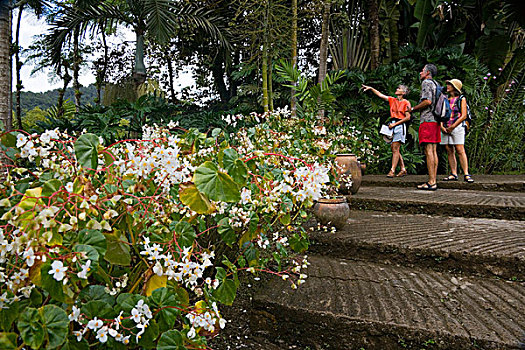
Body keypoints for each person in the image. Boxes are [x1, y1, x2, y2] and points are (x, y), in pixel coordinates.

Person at [362, 84, 411, 177]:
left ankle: (392, 170)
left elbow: (408, 117)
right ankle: (403, 168)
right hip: (392, 125)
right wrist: (371, 88)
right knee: (394, 148)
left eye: (399, 88)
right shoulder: (392, 100)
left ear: (403, 93)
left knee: (395, 148)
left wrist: (395, 124)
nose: (397, 89)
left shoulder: (406, 103)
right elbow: (380, 95)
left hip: (399, 125)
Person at [409, 64, 440, 191]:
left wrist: (413, 109)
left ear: (427, 72)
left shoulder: (426, 83)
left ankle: (431, 181)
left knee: (428, 151)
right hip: (436, 120)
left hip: (427, 119)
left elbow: (427, 101)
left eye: (422, 70)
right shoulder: (436, 83)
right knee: (433, 150)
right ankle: (433, 180)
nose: (420, 73)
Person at [440, 79, 474, 183]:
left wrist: (453, 126)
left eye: (450, 84)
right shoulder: (444, 98)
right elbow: (441, 113)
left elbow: (463, 115)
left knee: (460, 149)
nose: (447, 86)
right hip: (445, 126)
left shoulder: (461, 99)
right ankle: (453, 173)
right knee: (449, 149)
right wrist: (441, 126)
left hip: (457, 126)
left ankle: (466, 173)